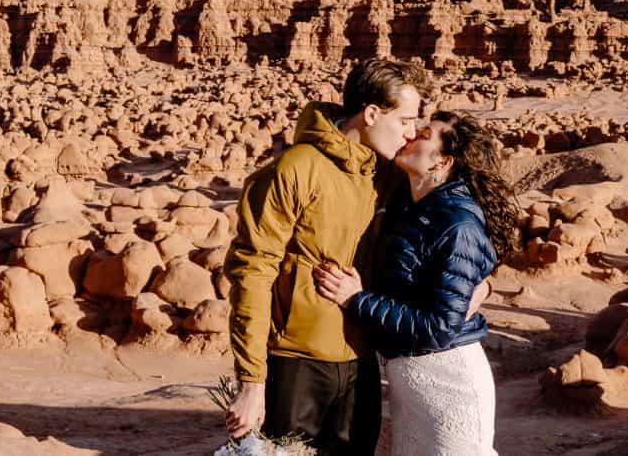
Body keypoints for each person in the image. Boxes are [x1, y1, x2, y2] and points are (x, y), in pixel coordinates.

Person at [222, 58, 429, 454]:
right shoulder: (295, 169)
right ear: (370, 113)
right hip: (294, 365)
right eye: (404, 120)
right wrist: (252, 383)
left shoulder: (385, 175)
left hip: (361, 363)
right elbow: (253, 271)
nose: (410, 134)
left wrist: (482, 280)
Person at [314, 111, 521, 456]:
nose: (409, 134)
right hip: (410, 386)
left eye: (424, 133)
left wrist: (356, 299)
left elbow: (439, 328)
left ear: (442, 160)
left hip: (449, 384)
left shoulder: (457, 222)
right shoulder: (407, 203)